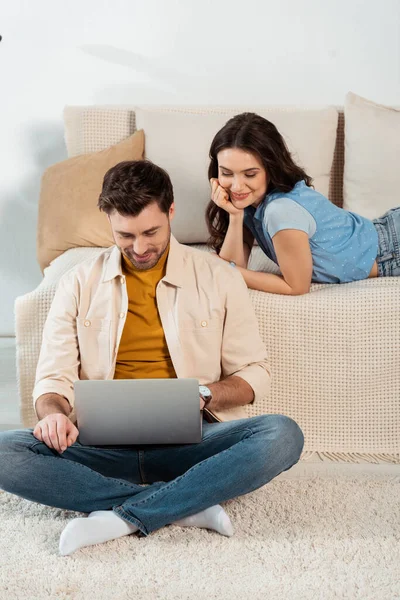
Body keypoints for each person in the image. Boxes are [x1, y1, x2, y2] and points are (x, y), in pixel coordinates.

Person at [0, 160, 304, 556]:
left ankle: (119, 514)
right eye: (125, 235)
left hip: (192, 442)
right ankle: (181, 504)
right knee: (6, 450)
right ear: (108, 220)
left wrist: (205, 395)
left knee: (282, 435)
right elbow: (52, 381)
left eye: (151, 232)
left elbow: (254, 373)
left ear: (171, 211)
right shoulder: (78, 282)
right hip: (98, 448)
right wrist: (55, 414)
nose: (139, 247)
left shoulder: (218, 277)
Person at [206, 112, 400, 295]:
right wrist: (235, 216)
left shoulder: (280, 210)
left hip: (392, 247)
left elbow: (297, 287)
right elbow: (232, 269)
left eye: (250, 174)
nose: (237, 186)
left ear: (270, 169)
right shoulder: (249, 204)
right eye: (227, 173)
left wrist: (227, 269)